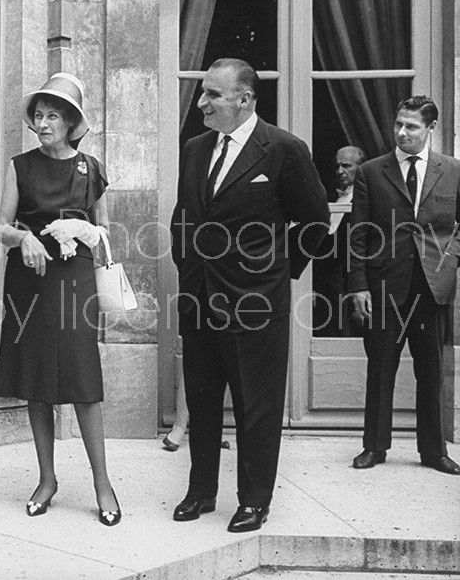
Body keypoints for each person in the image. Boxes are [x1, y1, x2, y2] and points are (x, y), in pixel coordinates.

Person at [169, 58, 329, 533]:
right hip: (200, 297)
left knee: (255, 405)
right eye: (202, 93)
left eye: (213, 95)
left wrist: (278, 275)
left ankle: (255, 500)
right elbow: (185, 213)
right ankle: (201, 491)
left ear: (245, 99)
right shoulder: (196, 148)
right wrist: (186, 262)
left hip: (256, 303)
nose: (202, 103)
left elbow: (316, 224)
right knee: (201, 399)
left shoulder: (283, 149)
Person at [0, 73, 121, 527]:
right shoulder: (20, 166)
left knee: (83, 382)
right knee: (36, 380)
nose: (43, 124)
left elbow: (107, 238)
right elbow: (0, 226)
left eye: (53, 116)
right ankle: (47, 480)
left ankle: (103, 484)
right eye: (39, 116)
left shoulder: (91, 168)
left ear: (71, 123)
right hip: (30, 281)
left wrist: (86, 230)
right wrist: (23, 237)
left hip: (76, 280)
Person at [349, 96, 460, 475]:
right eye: (399, 124)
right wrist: (359, 285)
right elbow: (358, 235)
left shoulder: (453, 171)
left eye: (412, 126)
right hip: (385, 284)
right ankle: (374, 447)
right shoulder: (370, 172)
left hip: (432, 286)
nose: (402, 132)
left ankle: (433, 451)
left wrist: (448, 260)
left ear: (431, 129)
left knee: (431, 371)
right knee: (381, 367)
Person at [312, 145, 366, 337]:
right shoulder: (334, 199)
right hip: (327, 286)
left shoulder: (363, 200)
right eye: (337, 166)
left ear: (361, 167)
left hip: (350, 282)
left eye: (346, 166)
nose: (340, 171)